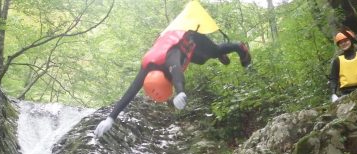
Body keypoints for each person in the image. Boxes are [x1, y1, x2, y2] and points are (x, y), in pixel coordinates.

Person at [94, 29, 251, 138]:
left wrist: (180, 91)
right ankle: (217, 53)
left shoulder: (170, 58)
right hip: (178, 42)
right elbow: (131, 91)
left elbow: (176, 70)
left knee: (214, 51)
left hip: (190, 35)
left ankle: (239, 47)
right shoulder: (147, 67)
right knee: (202, 60)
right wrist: (110, 118)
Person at [329, 30, 357, 102]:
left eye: (346, 40)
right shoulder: (337, 60)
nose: (343, 43)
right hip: (345, 93)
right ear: (339, 45)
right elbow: (333, 78)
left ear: (351, 40)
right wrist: (333, 94)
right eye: (341, 42)